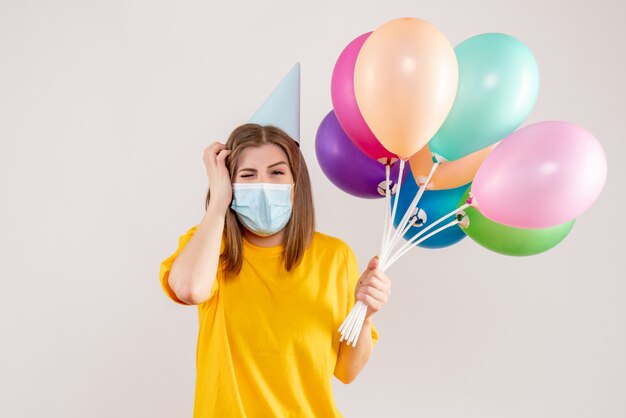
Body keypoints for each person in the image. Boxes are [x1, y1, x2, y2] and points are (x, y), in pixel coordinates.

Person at [159, 123, 391, 417]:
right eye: (247, 175)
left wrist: (366, 316)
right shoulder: (210, 244)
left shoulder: (335, 257)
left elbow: (346, 371)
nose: (263, 185)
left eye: (277, 172)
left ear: (297, 184)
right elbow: (190, 289)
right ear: (229, 182)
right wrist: (218, 203)